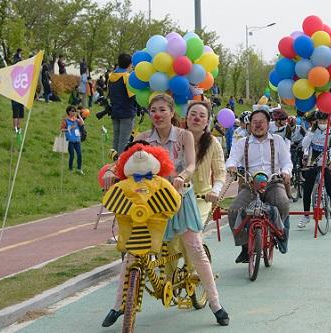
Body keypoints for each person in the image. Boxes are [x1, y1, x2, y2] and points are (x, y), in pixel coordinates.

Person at [102, 95, 229, 327]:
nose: (157, 114)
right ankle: (118, 305)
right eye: (153, 110)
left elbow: (190, 164)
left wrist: (182, 176)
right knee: (133, 252)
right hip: (149, 203)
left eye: (162, 109)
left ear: (172, 112)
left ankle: (215, 304)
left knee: (195, 248)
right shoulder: (142, 138)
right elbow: (123, 161)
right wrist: (112, 171)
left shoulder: (184, 136)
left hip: (180, 199)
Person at [226, 108, 292, 261]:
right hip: (250, 184)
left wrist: (287, 171)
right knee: (234, 210)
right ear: (249, 125)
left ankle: (280, 233)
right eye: (254, 122)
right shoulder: (242, 142)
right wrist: (231, 166)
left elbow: (286, 161)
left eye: (261, 122)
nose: (258, 125)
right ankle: (244, 246)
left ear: (268, 124)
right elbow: (232, 158)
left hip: (273, 182)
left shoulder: (277, 140)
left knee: (282, 203)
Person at [298, 110, 331, 228]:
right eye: (320, 120)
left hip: (326, 157)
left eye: (325, 120)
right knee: (307, 189)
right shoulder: (311, 131)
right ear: (317, 121)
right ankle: (306, 215)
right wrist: (311, 133)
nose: (322, 122)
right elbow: (304, 145)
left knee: (329, 188)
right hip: (313, 158)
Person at [185, 100, 226, 222]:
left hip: (201, 198)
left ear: (207, 122)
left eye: (202, 116)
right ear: (186, 118)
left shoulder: (213, 143)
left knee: (193, 228)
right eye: (192, 114)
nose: (196, 118)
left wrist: (215, 191)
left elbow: (220, 173)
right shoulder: (177, 139)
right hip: (178, 196)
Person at [108, 53, 137, 153]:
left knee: (116, 139)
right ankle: (119, 165)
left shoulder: (111, 77)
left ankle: (113, 164)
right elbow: (133, 96)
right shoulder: (127, 77)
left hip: (115, 112)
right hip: (127, 113)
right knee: (124, 141)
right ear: (130, 64)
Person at [60, 106, 84, 175]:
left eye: (74, 111)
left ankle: (79, 169)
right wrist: (69, 128)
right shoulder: (65, 120)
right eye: (72, 111)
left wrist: (79, 115)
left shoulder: (76, 119)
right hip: (70, 140)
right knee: (72, 155)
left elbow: (82, 123)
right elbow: (61, 129)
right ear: (68, 112)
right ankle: (70, 169)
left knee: (79, 155)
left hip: (77, 140)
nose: (74, 112)